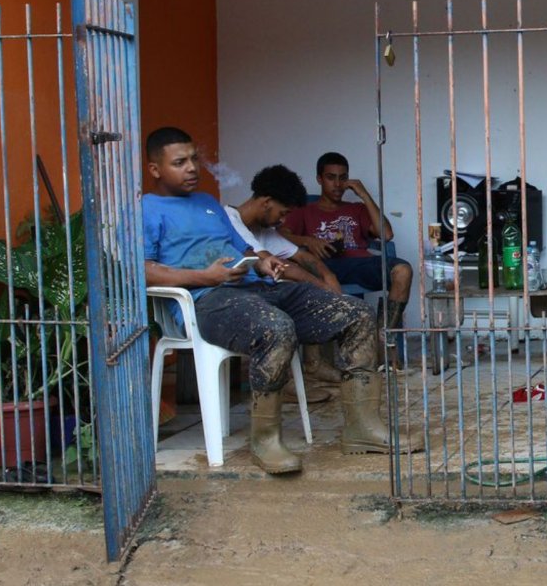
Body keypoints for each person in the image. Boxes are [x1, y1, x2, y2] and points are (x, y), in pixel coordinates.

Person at [142, 127, 417, 475]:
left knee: (355, 313)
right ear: (155, 170)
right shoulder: (147, 210)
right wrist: (204, 277)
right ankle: (266, 440)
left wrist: (261, 260)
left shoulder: (208, 204)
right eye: (180, 162)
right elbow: (143, 271)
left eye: (194, 158)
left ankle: (363, 428)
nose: (193, 168)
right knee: (275, 327)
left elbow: (242, 249)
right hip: (207, 301)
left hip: (255, 289)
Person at [224, 164, 345, 397]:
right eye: (283, 213)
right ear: (266, 202)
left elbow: (302, 257)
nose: (283, 220)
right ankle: (283, 384)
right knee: (299, 294)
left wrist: (329, 276)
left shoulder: (263, 228)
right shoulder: (230, 220)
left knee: (304, 291)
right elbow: (279, 265)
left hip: (258, 295)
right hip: (234, 300)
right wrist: (325, 290)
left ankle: (312, 367)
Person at [280, 152, 412, 337]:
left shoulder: (356, 208)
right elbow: (280, 236)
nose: (337, 184)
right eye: (330, 178)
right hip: (323, 265)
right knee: (300, 275)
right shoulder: (304, 210)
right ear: (319, 179)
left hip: (359, 264)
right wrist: (307, 241)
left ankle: (384, 339)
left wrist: (364, 195)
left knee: (403, 270)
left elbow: (387, 234)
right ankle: (321, 356)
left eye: (343, 178)